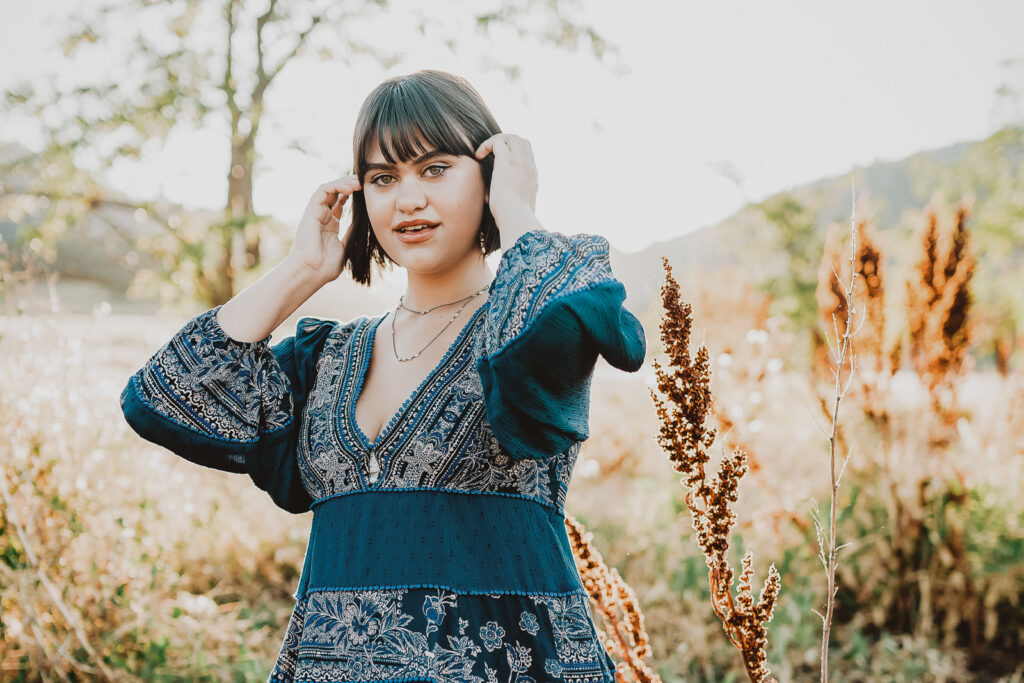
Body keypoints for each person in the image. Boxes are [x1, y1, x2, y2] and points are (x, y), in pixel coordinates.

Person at [120, 69, 646, 683]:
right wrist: (301, 269)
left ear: (489, 175)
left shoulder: (520, 330)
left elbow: (578, 312)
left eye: (436, 169)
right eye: (383, 178)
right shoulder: (327, 359)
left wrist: (516, 209)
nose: (408, 199)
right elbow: (164, 394)